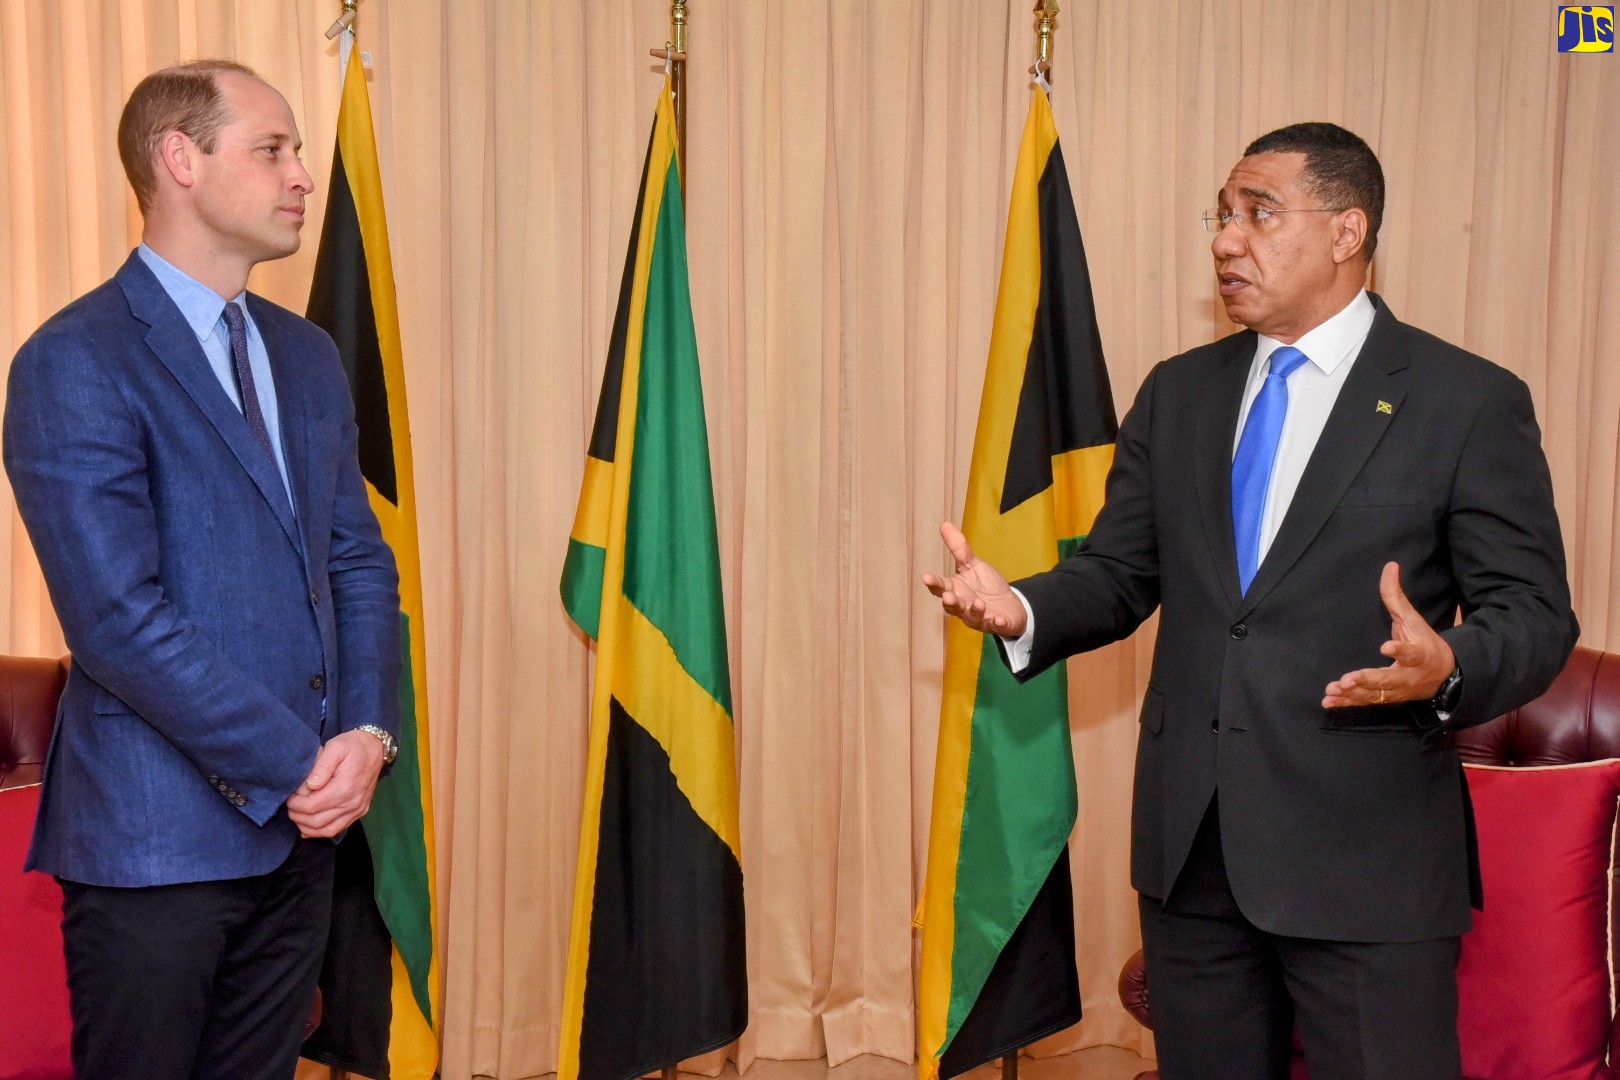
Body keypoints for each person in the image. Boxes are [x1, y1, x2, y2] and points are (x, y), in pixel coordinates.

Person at [924, 122, 1577, 1080]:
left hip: (1367, 857)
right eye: (1221, 216)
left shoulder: (1464, 400)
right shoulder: (1179, 393)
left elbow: (1533, 612)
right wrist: (1022, 609)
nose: (1227, 241)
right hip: (1193, 850)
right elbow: (1121, 571)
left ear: (1348, 231)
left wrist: (1450, 664)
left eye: (1259, 214)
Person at [3, 60, 402, 1080]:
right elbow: (117, 621)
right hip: (154, 845)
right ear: (180, 159)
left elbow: (358, 561)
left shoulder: (306, 355)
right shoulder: (74, 358)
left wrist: (365, 736)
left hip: (302, 840)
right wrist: (297, 763)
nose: (302, 175)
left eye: (297, 151)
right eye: (273, 150)